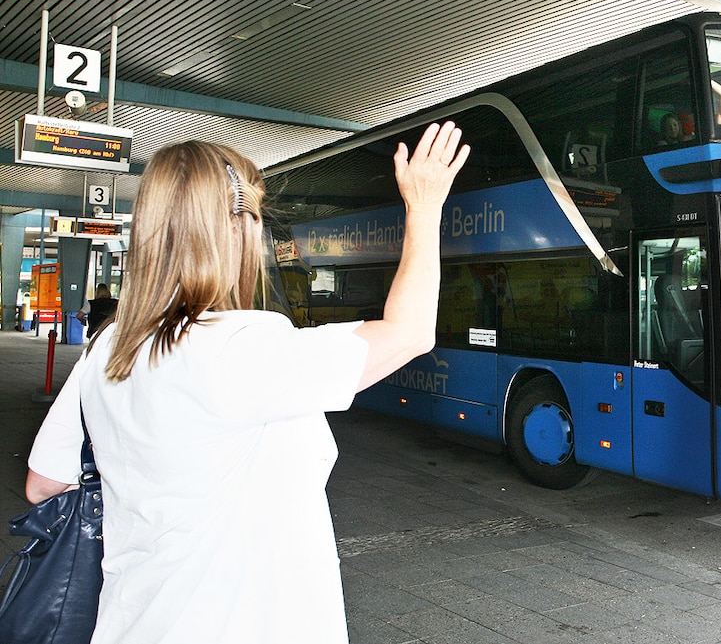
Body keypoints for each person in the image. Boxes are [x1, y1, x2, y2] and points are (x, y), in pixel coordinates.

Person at [24, 123, 469, 644]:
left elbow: (44, 483)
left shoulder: (109, 346)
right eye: (255, 215)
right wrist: (424, 205)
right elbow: (409, 334)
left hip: (133, 622)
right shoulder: (239, 347)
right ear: (234, 229)